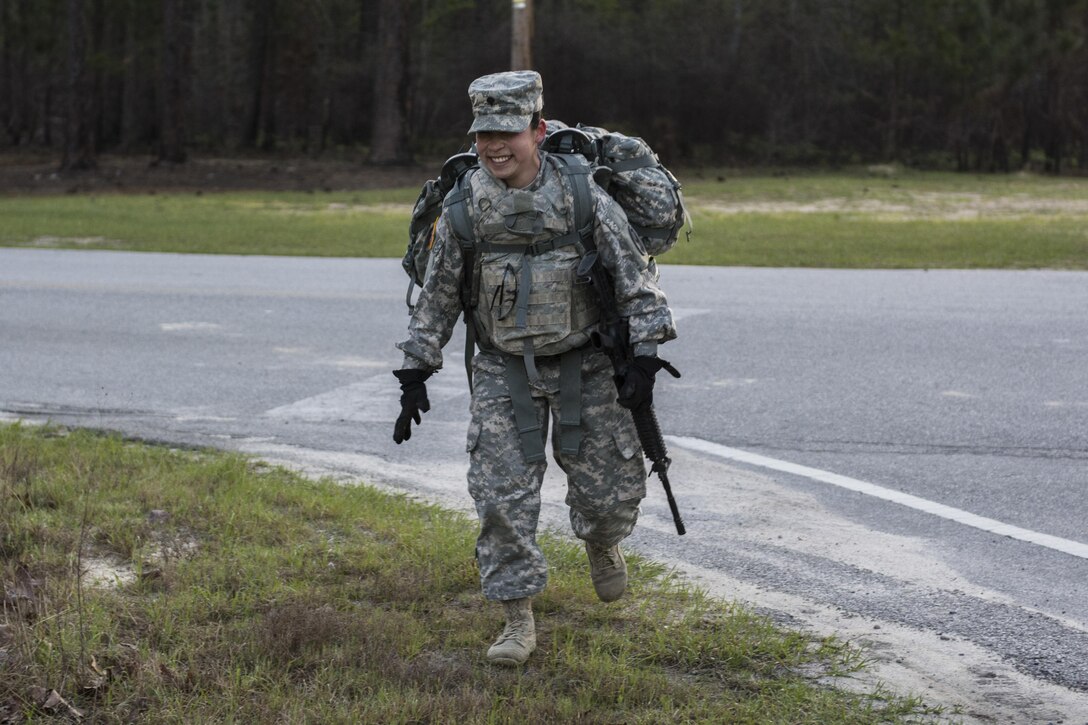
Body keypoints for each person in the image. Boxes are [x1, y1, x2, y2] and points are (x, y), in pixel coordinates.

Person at [392, 70, 677, 666]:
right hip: (503, 371)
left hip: (589, 365)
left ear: (537, 130)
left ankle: (602, 542)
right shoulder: (465, 202)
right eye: (483, 134)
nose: (495, 146)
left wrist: (646, 357)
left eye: (508, 132)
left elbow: (635, 279)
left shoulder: (581, 194)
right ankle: (516, 618)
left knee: (611, 497)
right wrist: (416, 369)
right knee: (500, 499)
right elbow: (440, 294)